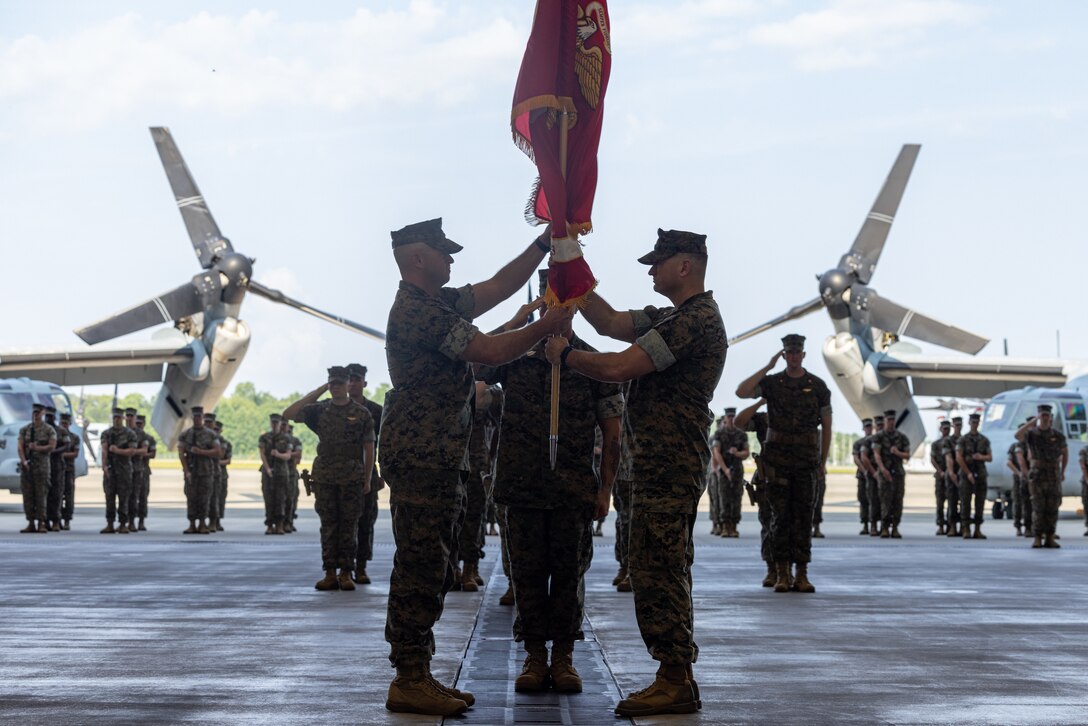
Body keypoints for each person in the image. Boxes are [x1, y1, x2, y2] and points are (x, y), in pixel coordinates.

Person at [380, 218, 569, 717]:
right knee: (420, 565)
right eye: (444, 253)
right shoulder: (417, 310)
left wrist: (542, 243)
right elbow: (487, 350)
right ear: (418, 258)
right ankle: (410, 677)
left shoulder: (436, 302)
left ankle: (419, 672)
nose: (452, 261)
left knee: (434, 563)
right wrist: (545, 327)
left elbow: (499, 287)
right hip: (423, 454)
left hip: (439, 453)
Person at [545, 228, 726, 716]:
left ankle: (674, 676)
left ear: (684, 266)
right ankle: (675, 674)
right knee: (654, 566)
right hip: (655, 464)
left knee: (659, 568)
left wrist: (566, 356)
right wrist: (569, 258)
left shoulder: (695, 322)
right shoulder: (672, 317)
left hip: (669, 465)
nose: (650, 270)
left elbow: (620, 366)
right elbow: (606, 322)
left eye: (658, 262)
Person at [482, 290, 623, 694]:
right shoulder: (515, 355)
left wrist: (606, 488)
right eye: (548, 304)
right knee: (526, 578)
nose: (556, 312)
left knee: (567, 577)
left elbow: (613, 432)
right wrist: (515, 323)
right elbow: (476, 363)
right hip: (522, 488)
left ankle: (563, 656)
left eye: (563, 303)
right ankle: (533, 655)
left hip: (572, 489)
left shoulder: (591, 360)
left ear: (576, 307)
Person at [737, 333, 831, 593]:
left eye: (796, 352)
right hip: (777, 462)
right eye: (788, 353)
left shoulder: (818, 386)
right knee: (779, 519)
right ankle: (781, 573)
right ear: (783, 355)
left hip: (805, 461)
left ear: (803, 354)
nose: (792, 356)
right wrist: (768, 367)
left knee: (803, 518)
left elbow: (827, 427)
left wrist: (822, 462)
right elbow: (742, 391)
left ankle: (801, 574)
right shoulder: (773, 383)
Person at [284, 367, 375, 590]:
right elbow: (289, 414)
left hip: (352, 475)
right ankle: (330, 573)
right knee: (329, 526)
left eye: (339, 383)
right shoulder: (320, 410)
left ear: (347, 384)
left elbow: (369, 447)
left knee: (349, 525)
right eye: (331, 383)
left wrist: (368, 477)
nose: (335, 387)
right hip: (325, 476)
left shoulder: (362, 413)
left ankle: (346, 572)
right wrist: (319, 390)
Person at [346, 362, 384, 583]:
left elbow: (385, 442)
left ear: (364, 383)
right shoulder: (336, 408)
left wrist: (379, 475)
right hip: (342, 473)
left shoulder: (376, 411)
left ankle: (361, 567)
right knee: (343, 524)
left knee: (365, 522)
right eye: (349, 379)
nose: (352, 383)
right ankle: (344, 568)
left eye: (357, 379)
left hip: (367, 473)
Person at [1015, 405, 1068, 548]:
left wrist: (1062, 471)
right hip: (1037, 474)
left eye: (1047, 415)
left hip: (1053, 474)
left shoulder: (1057, 435)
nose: (1045, 418)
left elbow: (1065, 452)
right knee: (1038, 507)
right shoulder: (1032, 434)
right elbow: (1017, 435)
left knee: (1052, 507)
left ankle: (1050, 537)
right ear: (1039, 416)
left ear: (1050, 417)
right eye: (1042, 415)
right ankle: (1037, 536)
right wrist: (1032, 423)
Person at [177, 406, 222, 535]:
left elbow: (218, 452)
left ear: (202, 418)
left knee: (204, 498)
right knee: (191, 498)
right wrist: (186, 470)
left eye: (199, 417)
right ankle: (192, 524)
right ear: (192, 418)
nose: (197, 419)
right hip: (191, 471)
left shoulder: (210, 434)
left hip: (206, 471)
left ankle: (202, 523)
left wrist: (201, 452)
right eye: (195, 417)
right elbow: (181, 453)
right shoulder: (185, 434)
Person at [18, 403, 55, 533]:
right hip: (28, 467)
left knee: (41, 495)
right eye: (34, 412)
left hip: (42, 468)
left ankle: (41, 523)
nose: (36, 415)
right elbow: (20, 446)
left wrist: (37, 448)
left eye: (38, 412)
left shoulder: (49, 430)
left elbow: (52, 446)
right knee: (28, 495)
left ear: (43, 413)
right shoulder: (25, 429)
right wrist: (24, 461)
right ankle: (31, 522)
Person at [873, 409, 910, 539]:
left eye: (893, 419)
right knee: (885, 500)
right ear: (885, 420)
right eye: (889, 419)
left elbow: (907, 455)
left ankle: (895, 527)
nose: (891, 422)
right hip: (885, 473)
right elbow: (877, 455)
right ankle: (884, 527)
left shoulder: (902, 437)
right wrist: (882, 470)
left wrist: (897, 452)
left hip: (898, 474)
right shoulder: (878, 437)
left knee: (897, 501)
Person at [712, 407, 749, 538]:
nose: (731, 419)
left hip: (737, 470)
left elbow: (746, 452)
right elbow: (716, 452)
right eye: (729, 417)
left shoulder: (741, 434)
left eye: (733, 416)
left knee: (737, 497)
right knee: (724, 497)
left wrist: (737, 453)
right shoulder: (719, 434)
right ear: (725, 418)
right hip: (724, 470)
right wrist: (724, 469)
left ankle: (734, 526)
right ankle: (725, 526)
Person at [100, 407, 137, 534]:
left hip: (124, 470)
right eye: (115, 417)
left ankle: (123, 524)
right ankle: (110, 523)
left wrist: (118, 451)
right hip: (111, 470)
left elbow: (132, 451)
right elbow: (104, 450)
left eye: (119, 418)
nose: (116, 420)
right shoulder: (107, 433)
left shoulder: (130, 434)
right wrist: (104, 466)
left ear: (123, 419)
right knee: (109, 497)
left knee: (124, 498)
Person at [956, 412, 992, 539]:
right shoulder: (963, 440)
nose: (974, 425)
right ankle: (966, 529)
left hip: (981, 474)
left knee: (980, 503)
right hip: (967, 475)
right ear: (969, 423)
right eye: (973, 422)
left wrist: (981, 457)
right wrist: (968, 473)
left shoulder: (984, 440)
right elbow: (959, 457)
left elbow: (990, 457)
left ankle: (977, 529)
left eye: (976, 422)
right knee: (965, 502)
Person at [132, 414, 156, 532]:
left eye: (140, 423)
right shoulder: (130, 436)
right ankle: (130, 521)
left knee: (143, 497)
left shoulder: (149, 438)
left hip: (144, 470)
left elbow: (152, 454)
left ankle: (141, 521)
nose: (138, 425)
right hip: (132, 470)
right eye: (137, 423)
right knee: (131, 496)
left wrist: (138, 453)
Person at [861, 416, 884, 537]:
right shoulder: (869, 440)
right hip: (873, 475)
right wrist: (872, 472)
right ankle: (873, 526)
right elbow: (863, 457)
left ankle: (884, 526)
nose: (880, 427)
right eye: (878, 425)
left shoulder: (886, 439)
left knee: (885, 502)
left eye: (882, 425)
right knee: (872, 500)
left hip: (885, 475)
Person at [258, 414, 281, 534]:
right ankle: (269, 524)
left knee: (280, 499)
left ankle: (280, 524)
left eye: (277, 422)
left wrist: (278, 455)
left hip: (282, 473)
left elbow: (289, 455)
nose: (275, 425)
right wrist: (267, 469)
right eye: (273, 422)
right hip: (267, 472)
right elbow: (262, 454)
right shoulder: (264, 438)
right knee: (268, 499)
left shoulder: (286, 438)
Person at [45, 407, 66, 531]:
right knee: (45, 494)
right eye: (47, 416)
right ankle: (45, 520)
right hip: (43, 465)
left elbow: (67, 446)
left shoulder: (61, 431)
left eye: (50, 416)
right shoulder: (41, 430)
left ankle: (56, 520)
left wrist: (54, 451)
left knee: (57, 493)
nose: (49, 419)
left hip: (57, 465)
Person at [943, 416, 964, 536]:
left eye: (960, 425)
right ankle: (952, 527)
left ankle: (963, 526)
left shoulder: (965, 439)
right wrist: (951, 473)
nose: (958, 427)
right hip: (952, 475)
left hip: (963, 475)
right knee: (952, 502)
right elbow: (948, 458)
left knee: (964, 503)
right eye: (956, 425)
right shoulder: (948, 441)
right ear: (953, 426)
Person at [59, 413, 81, 530]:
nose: (64, 426)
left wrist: (61, 454)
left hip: (68, 470)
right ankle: (56, 519)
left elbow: (75, 454)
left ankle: (67, 519)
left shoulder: (74, 438)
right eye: (62, 423)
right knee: (56, 495)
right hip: (56, 470)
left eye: (66, 423)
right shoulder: (55, 436)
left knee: (69, 495)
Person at [930, 420, 951, 535]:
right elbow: (932, 459)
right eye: (944, 429)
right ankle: (941, 525)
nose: (946, 431)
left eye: (948, 429)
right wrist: (940, 471)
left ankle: (950, 524)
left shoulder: (954, 442)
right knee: (940, 502)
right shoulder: (936, 444)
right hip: (940, 476)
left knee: (952, 502)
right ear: (941, 429)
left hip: (951, 476)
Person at [855, 418, 875, 535]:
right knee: (863, 500)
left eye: (869, 426)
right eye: (866, 427)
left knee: (874, 500)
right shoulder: (859, 443)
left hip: (874, 476)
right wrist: (865, 471)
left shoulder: (876, 440)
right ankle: (865, 524)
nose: (868, 429)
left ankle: (874, 524)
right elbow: (856, 458)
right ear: (863, 428)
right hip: (863, 477)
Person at [214, 420, 231, 530]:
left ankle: (217, 521)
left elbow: (228, 461)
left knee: (220, 498)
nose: (215, 431)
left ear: (221, 431)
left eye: (217, 429)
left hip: (221, 474)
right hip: (209, 473)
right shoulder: (207, 441)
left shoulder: (226, 444)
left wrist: (213, 461)